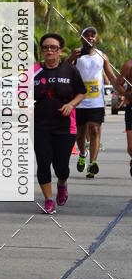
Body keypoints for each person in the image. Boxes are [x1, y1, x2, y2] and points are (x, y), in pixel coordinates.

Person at [34, 33, 86, 214]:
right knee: (43, 162)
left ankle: (62, 183)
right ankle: (48, 200)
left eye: (53, 47)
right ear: (41, 50)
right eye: (45, 47)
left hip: (65, 126)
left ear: (60, 51)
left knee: (61, 166)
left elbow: (81, 92)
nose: (49, 50)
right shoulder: (32, 72)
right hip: (41, 126)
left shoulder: (70, 71)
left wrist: (71, 105)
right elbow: (22, 95)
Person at [67, 27, 119, 178]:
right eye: (87, 35)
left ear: (96, 39)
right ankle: (83, 153)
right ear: (81, 38)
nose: (90, 38)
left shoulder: (102, 56)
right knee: (80, 133)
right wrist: (70, 58)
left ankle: (93, 163)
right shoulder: (77, 55)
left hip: (96, 101)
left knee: (95, 130)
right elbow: (65, 71)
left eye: (93, 36)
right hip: (79, 101)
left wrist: (121, 92)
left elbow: (113, 77)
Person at [117, 58, 132, 177]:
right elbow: (118, 84)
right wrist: (127, 94)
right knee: (131, 148)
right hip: (131, 107)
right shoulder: (128, 65)